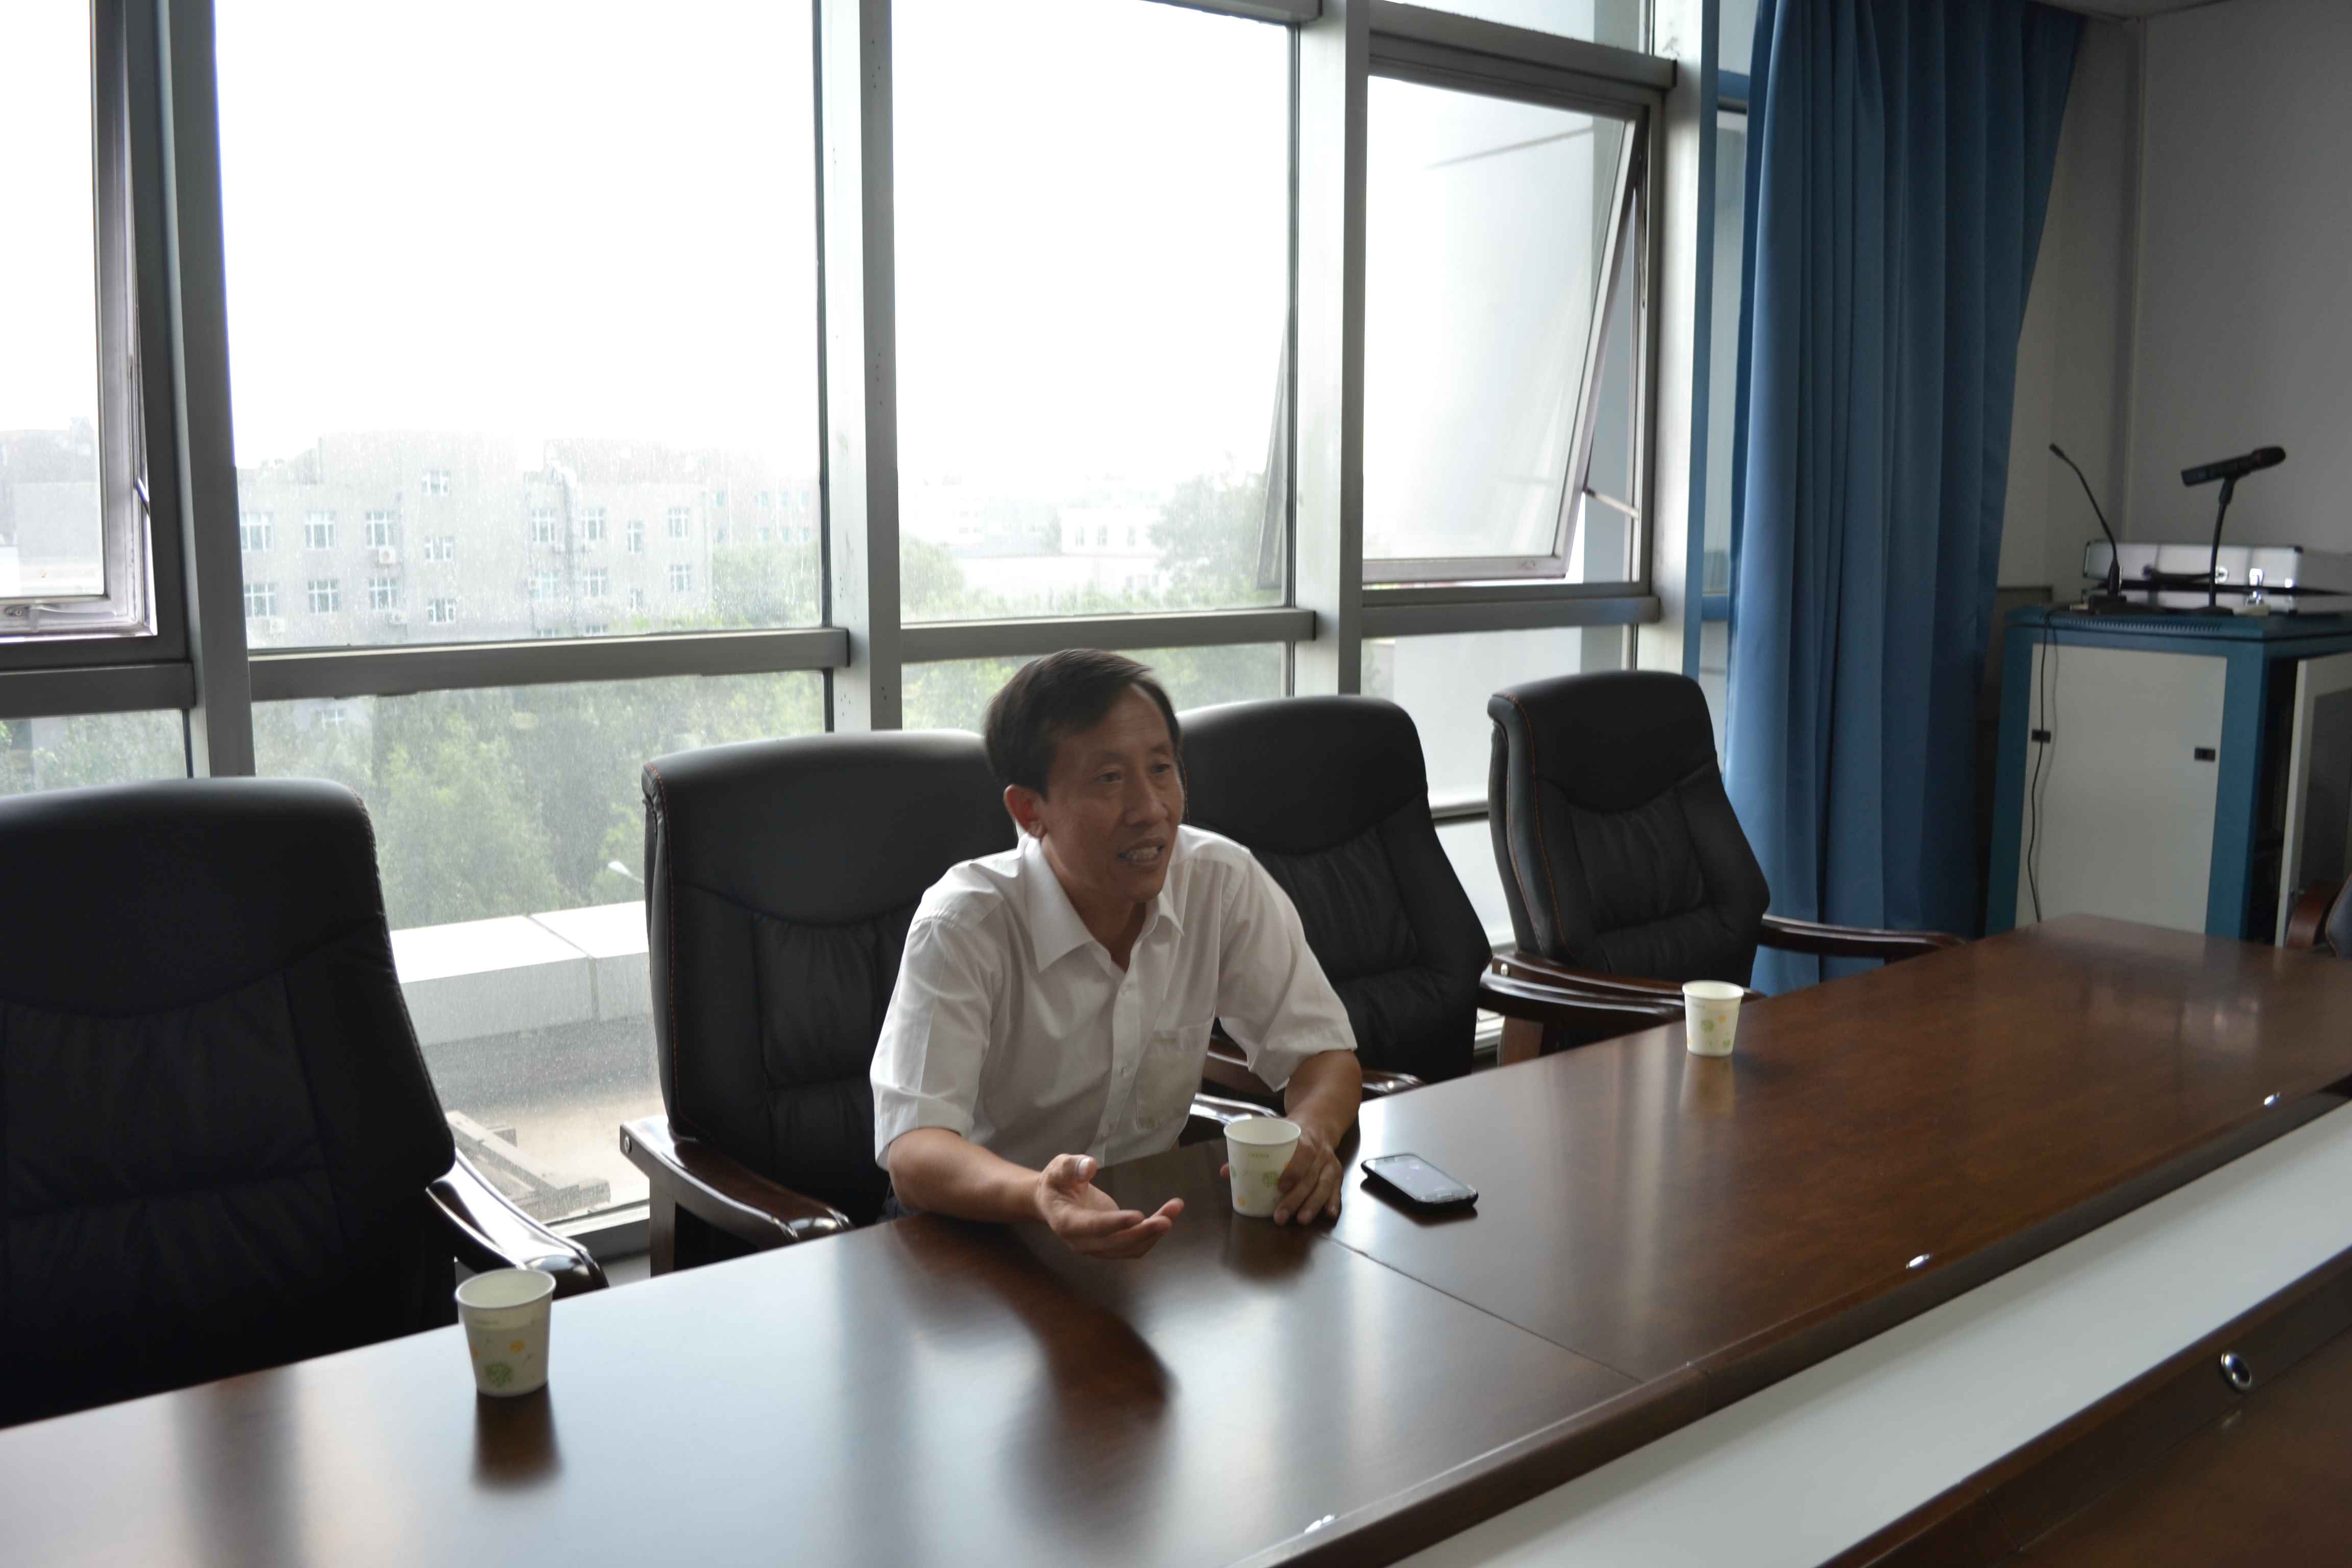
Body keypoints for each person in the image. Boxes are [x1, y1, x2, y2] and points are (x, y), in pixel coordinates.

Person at [871, 649, 1361, 1258]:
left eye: (1161, 768)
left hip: (1144, 1227)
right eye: (1109, 779)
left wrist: (1311, 1135)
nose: (1151, 809)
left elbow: (1321, 1053)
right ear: (1030, 811)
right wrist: (1041, 1196)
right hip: (974, 1239)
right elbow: (916, 1152)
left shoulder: (1219, 880)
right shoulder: (964, 924)